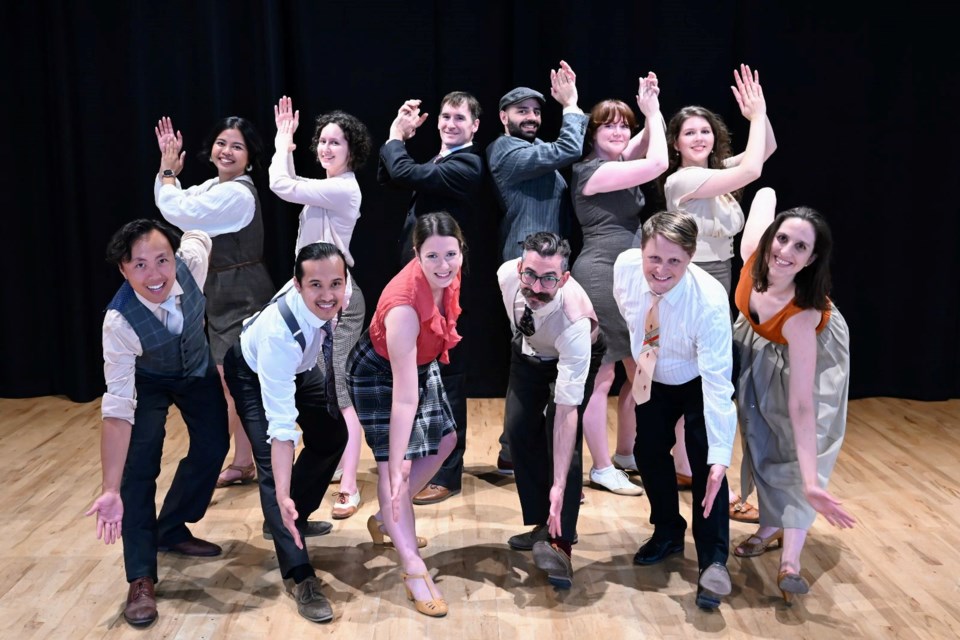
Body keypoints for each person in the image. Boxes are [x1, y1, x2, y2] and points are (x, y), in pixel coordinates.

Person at [87, 219, 229, 627]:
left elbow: (201, 225)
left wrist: (173, 183)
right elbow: (116, 410)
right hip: (145, 380)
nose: (155, 274)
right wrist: (109, 488)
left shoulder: (193, 259)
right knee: (139, 467)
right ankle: (141, 578)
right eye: (140, 265)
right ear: (124, 269)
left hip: (196, 369)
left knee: (213, 446)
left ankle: (170, 527)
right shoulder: (119, 322)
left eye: (162, 260)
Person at [660, 65, 777, 522]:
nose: (700, 137)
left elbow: (763, 150)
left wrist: (756, 116)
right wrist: (760, 111)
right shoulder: (682, 180)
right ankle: (699, 472)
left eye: (706, 130)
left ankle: (690, 467)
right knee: (702, 379)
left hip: (723, 273)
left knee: (706, 378)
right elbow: (753, 166)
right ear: (676, 143)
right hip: (695, 277)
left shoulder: (716, 171)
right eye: (690, 132)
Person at [730, 191, 856, 603]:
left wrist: (810, 481)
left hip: (812, 354)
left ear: (811, 260)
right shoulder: (753, 252)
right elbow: (764, 192)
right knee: (759, 432)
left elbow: (803, 406)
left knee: (801, 439)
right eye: (782, 238)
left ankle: (792, 560)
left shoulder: (804, 314)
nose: (785, 251)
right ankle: (770, 526)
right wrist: (759, 123)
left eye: (800, 247)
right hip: (761, 343)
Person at [613, 211, 737, 610]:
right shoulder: (625, 269)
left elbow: (719, 385)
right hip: (654, 369)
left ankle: (713, 560)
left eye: (674, 261)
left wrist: (722, 455)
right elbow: (632, 316)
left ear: (691, 257)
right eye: (654, 258)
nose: (661, 270)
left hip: (699, 377)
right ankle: (667, 530)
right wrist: (641, 365)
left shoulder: (710, 303)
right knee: (648, 452)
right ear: (641, 251)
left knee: (705, 466)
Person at [223, 242, 351, 623]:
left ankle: (296, 512)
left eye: (335, 284)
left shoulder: (340, 289)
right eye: (315, 285)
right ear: (297, 285)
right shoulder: (279, 337)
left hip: (301, 363)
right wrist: (281, 491)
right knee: (270, 467)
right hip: (253, 370)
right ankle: (300, 574)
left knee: (332, 434)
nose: (328, 295)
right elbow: (282, 432)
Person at [346, 212, 465, 618]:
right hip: (381, 375)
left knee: (446, 441)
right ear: (416, 254)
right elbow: (403, 401)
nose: (444, 265)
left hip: (417, 361)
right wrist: (396, 462)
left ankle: (386, 518)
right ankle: (413, 568)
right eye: (432, 256)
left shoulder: (448, 273)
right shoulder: (403, 307)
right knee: (394, 470)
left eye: (451, 254)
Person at [153, 116, 275, 491]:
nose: (227, 151)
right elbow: (174, 202)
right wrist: (166, 171)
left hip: (243, 292)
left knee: (236, 380)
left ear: (250, 157)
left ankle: (257, 459)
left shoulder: (237, 193)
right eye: (222, 143)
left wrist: (169, 173)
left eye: (237, 146)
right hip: (222, 290)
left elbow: (178, 210)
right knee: (230, 383)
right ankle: (244, 461)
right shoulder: (213, 186)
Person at [377, 91, 484, 505]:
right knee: (420, 377)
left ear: (475, 125)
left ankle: (447, 473)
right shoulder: (439, 162)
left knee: (449, 375)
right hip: (420, 285)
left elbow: (404, 171)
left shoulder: (468, 163)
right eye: (445, 116)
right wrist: (398, 141)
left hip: (444, 289)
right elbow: (392, 175)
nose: (450, 123)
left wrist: (394, 137)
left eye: (460, 117)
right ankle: (422, 461)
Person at [269, 97, 372, 520]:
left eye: (336, 142)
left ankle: (349, 484)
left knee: (340, 392)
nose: (327, 148)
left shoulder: (343, 188)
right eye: (323, 141)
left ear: (352, 151)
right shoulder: (325, 189)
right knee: (319, 392)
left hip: (340, 300)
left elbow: (282, 184)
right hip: (314, 297)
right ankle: (323, 468)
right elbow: (292, 183)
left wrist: (281, 141)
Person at [487, 60, 588, 471]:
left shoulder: (532, 153)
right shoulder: (506, 150)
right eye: (521, 110)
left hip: (547, 269)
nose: (531, 117)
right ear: (503, 117)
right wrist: (573, 105)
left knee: (539, 358)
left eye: (536, 111)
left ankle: (519, 449)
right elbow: (569, 148)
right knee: (529, 358)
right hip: (525, 268)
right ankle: (518, 451)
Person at [571, 73, 668, 497]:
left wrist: (649, 108)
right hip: (600, 273)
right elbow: (659, 162)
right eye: (608, 124)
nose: (618, 131)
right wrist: (654, 114)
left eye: (623, 125)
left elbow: (641, 146)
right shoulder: (590, 171)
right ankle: (602, 465)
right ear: (592, 133)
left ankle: (627, 454)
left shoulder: (616, 161)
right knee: (605, 374)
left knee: (640, 369)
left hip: (630, 275)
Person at [499, 232, 604, 589]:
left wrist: (559, 485)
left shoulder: (575, 322)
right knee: (516, 429)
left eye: (548, 279)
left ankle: (560, 541)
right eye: (530, 275)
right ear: (519, 267)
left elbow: (566, 413)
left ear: (565, 278)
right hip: (528, 353)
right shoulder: (506, 277)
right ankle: (543, 524)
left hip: (569, 355)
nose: (536, 286)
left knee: (562, 441)